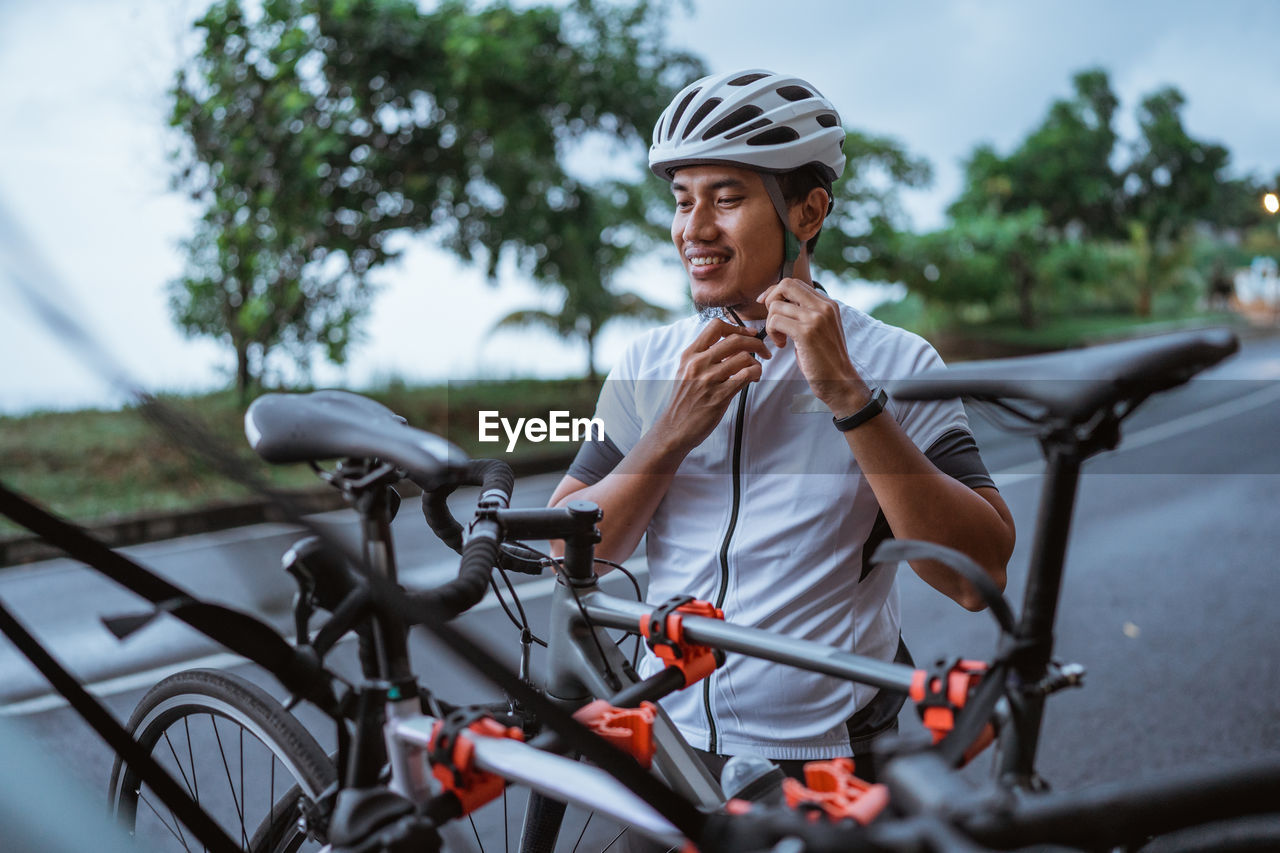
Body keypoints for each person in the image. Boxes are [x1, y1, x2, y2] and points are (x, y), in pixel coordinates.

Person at [548, 69, 1016, 784]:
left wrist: (851, 399)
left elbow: (976, 575)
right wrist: (670, 430)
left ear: (807, 211)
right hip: (668, 739)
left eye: (726, 198)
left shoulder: (897, 358)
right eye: (681, 202)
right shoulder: (650, 360)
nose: (693, 229)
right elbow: (566, 546)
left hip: (831, 756)